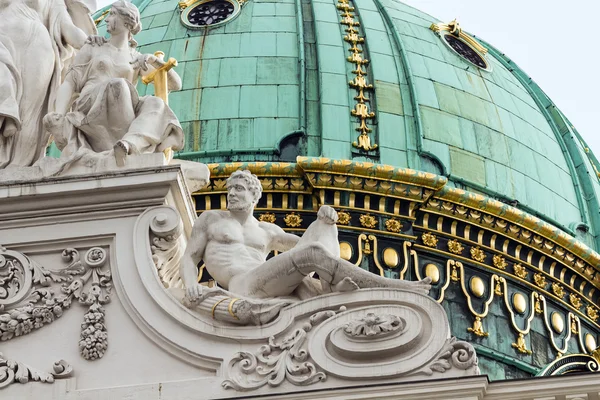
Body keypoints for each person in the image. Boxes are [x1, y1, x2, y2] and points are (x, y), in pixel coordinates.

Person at [181, 170, 431, 300]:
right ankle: (393, 287)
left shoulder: (267, 230)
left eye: (238, 189)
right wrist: (191, 285)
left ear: (254, 196)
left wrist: (325, 218)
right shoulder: (211, 219)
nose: (231, 194)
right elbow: (190, 258)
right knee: (311, 254)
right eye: (229, 189)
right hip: (242, 285)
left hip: (267, 279)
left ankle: (327, 286)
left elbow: (310, 244)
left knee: (324, 226)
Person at [45, 0, 184, 166]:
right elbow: (70, 83)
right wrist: (58, 114)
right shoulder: (93, 47)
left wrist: (155, 61)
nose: (106, 19)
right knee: (117, 85)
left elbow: (175, 85)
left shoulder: (135, 58)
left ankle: (128, 144)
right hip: (90, 106)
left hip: (122, 110)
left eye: (112, 14)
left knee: (156, 103)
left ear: (126, 21)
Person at [0, 0, 97, 168]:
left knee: (30, 113)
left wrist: (93, 45)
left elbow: (68, 28)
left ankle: (21, 166)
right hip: (4, 43)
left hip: (37, 47)